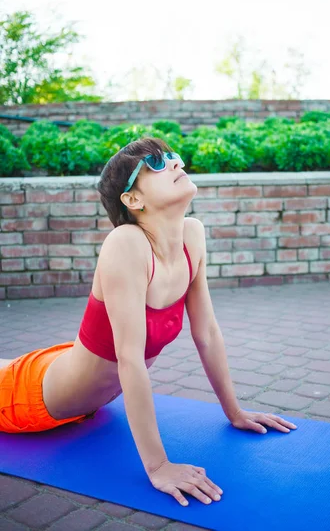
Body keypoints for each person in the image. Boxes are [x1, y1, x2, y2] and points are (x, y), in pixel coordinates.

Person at [0, 136, 297, 507]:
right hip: (27, 397)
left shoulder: (193, 234)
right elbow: (130, 359)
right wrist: (158, 466)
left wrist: (234, 411)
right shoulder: (126, 243)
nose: (175, 163)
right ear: (133, 200)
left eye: (172, 156)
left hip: (67, 369)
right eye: (156, 164)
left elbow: (206, 332)